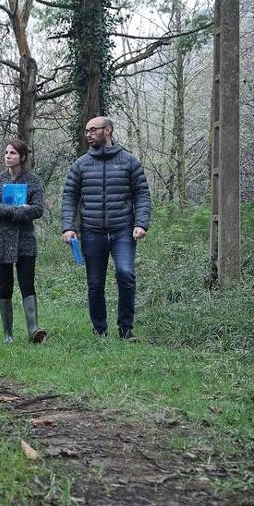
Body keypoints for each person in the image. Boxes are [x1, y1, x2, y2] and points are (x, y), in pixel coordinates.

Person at [60, 116, 152, 340]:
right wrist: (68, 227)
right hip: (92, 232)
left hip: (123, 230)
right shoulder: (80, 165)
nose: (89, 134)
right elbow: (70, 197)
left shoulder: (130, 162)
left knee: (126, 274)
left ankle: (126, 329)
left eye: (93, 130)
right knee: (95, 283)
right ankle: (100, 330)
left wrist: (141, 223)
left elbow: (142, 195)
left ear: (108, 130)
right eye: (86, 131)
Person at [0, 139, 47, 343]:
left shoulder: (33, 180)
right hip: (0, 240)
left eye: (13, 153)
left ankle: (33, 330)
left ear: (23, 157)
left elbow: (38, 209)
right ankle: (8, 334)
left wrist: (21, 211)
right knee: (5, 286)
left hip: (25, 240)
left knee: (27, 283)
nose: (8, 156)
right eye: (6, 153)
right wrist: (16, 210)